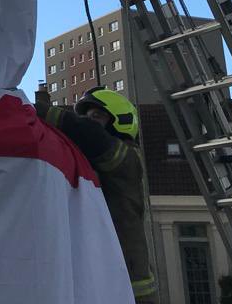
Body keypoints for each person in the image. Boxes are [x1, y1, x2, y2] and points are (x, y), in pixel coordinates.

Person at [35, 86, 157, 304]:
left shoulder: (127, 158)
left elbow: (90, 134)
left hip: (129, 285)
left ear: (120, 121)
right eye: (86, 116)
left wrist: (31, 109)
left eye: (96, 116)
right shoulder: (92, 162)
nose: (88, 121)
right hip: (104, 275)